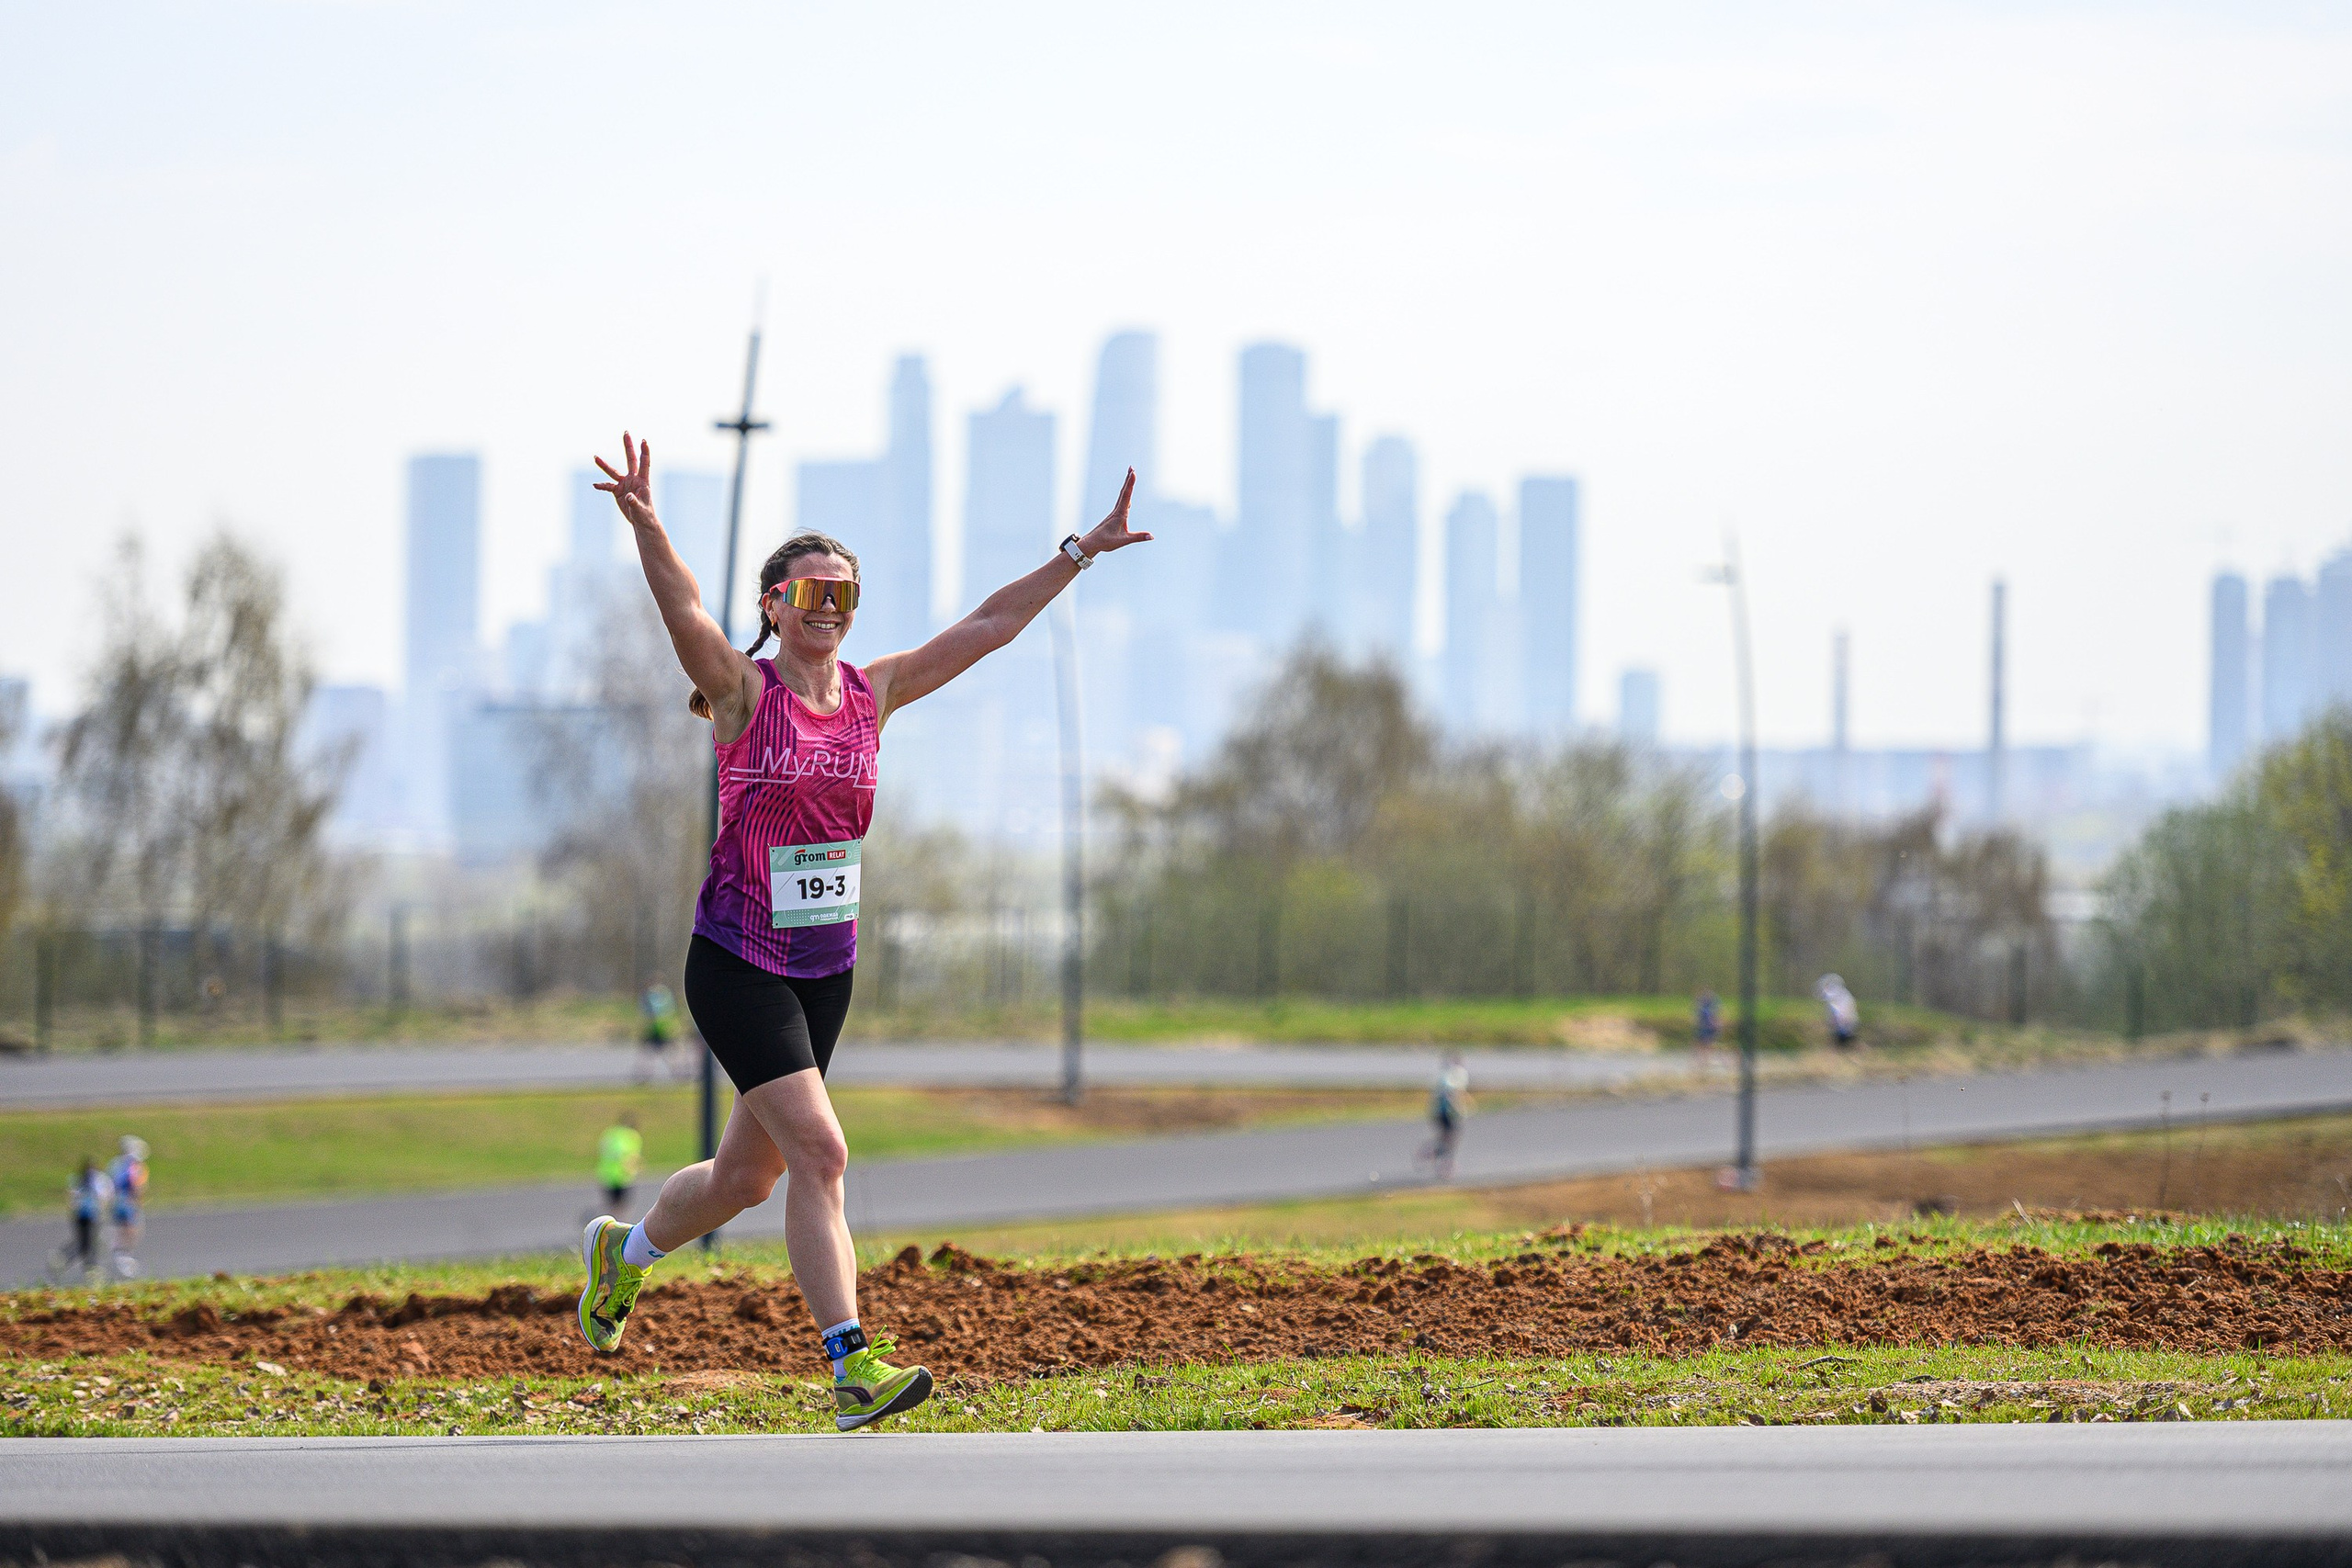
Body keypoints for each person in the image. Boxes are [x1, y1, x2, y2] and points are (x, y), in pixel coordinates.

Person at [575, 432, 1150, 1432]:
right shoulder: (741, 695)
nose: (828, 612)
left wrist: (1078, 551)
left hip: (823, 970)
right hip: (736, 964)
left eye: (843, 596)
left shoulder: (870, 695)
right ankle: (849, 1365)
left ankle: (619, 1257)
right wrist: (649, 524)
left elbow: (989, 623)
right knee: (825, 1157)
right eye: (809, 596)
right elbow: (683, 612)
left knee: (743, 1179)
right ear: (774, 609)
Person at [1422, 1051, 1472, 1180]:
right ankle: (1444, 1163)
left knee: (1445, 1139)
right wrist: (1459, 1110)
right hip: (1447, 1114)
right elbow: (1453, 1095)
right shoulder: (1455, 1076)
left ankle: (1433, 1153)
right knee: (1451, 1139)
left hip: (1440, 1114)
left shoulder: (1444, 1076)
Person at [67, 1159, 112, 1280]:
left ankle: (68, 1259)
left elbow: (72, 1200)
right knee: (89, 1242)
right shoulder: (96, 1181)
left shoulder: (78, 1180)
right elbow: (103, 1197)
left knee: (85, 1242)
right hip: (91, 1215)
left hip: (81, 1215)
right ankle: (90, 1267)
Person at [107, 1136, 148, 1264]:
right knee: (132, 1230)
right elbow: (136, 1185)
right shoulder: (133, 1166)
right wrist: (138, 1200)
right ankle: (123, 1257)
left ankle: (120, 1255)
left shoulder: (115, 1163)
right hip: (128, 1202)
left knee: (122, 1229)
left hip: (116, 1201)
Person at [597, 1111, 644, 1219]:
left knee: (612, 1204)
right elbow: (628, 1155)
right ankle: (615, 1226)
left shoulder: (610, 1133)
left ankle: (608, 1223)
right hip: (622, 1176)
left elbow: (603, 1149)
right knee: (622, 1205)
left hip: (607, 1174)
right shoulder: (632, 1137)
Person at [636, 980, 681, 1084]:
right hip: (664, 1029)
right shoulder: (666, 995)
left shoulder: (650, 996)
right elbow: (671, 1011)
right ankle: (678, 1075)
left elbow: (648, 1014)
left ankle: (645, 1076)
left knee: (650, 1054)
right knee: (666, 1053)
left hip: (656, 1030)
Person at [1817, 973, 1860, 1050]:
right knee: (1840, 1037)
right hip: (1841, 1024)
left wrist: (1842, 1018)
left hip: (1846, 1023)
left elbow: (1847, 1010)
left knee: (1844, 1036)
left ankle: (1846, 1048)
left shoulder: (1844, 996)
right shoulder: (1835, 999)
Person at [1692, 989, 1722, 1071]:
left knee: (1705, 1043)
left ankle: (1704, 1060)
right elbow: (1706, 1018)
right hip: (1704, 1028)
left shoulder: (1706, 1007)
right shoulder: (1704, 1008)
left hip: (1705, 1028)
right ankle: (1703, 1060)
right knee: (1704, 1043)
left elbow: (1711, 1017)